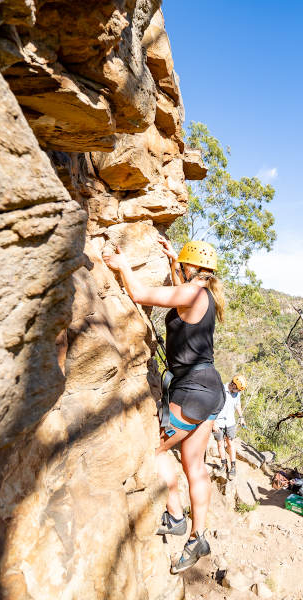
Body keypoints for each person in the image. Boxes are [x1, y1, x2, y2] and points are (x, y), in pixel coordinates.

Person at [103, 235, 226, 574]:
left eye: (184, 266)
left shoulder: (192, 292)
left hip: (193, 390)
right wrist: (175, 262)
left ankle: (174, 515)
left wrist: (123, 265)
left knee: (155, 449)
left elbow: (142, 294)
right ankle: (197, 538)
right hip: (209, 389)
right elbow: (180, 295)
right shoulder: (205, 294)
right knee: (194, 466)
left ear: (193, 268)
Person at [213, 375, 246, 478]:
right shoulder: (220, 390)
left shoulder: (237, 394)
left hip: (230, 422)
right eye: (237, 389)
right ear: (233, 384)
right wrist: (213, 422)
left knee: (230, 443)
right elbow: (212, 405)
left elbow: (237, 405)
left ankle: (233, 467)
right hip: (218, 422)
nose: (237, 392)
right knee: (220, 444)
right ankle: (223, 465)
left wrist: (241, 417)